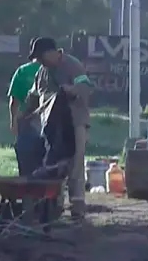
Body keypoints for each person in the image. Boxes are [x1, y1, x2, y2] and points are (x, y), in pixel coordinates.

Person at [28, 37, 92, 219]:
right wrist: (24, 115)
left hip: (74, 122)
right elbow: (34, 95)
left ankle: (77, 208)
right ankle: (54, 207)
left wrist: (72, 90)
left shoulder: (73, 65)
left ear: (51, 52)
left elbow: (85, 86)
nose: (39, 61)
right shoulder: (42, 72)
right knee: (53, 166)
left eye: (41, 57)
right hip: (50, 126)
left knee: (74, 165)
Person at [8, 38, 44, 175]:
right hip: (48, 120)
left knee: (25, 159)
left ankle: (27, 189)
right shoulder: (52, 70)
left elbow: (14, 100)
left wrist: (13, 121)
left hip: (26, 120)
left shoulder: (22, 71)